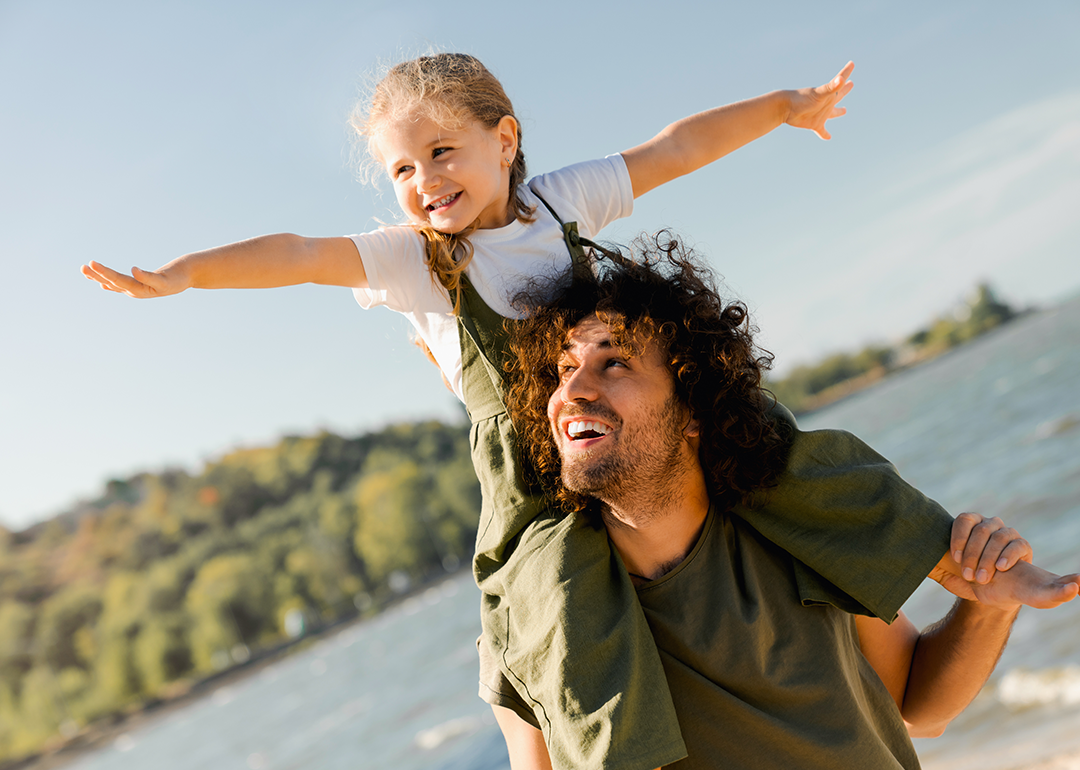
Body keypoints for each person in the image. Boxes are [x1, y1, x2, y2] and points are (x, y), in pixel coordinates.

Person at [80, 52, 976, 768]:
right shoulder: (414, 262)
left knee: (785, 458)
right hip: (535, 488)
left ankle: (947, 560)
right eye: (400, 168)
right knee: (555, 601)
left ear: (504, 138)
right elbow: (299, 251)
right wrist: (187, 273)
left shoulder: (561, 202)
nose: (424, 180)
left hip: (634, 442)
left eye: (441, 152)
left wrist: (784, 105)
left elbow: (673, 148)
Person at [500, 234, 1080, 768]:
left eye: (614, 363)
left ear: (693, 407)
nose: (572, 392)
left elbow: (918, 705)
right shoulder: (547, 616)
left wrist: (986, 604)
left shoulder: (792, 525)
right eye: (563, 370)